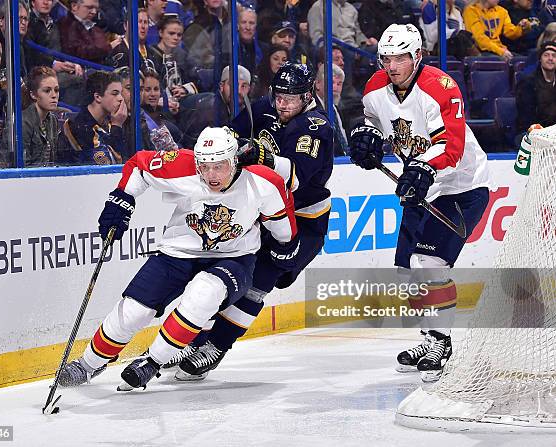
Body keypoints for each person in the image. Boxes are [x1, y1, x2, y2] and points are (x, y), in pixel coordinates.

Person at [58, 126, 299, 389]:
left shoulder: (263, 182)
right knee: (133, 312)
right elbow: (140, 165)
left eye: (218, 166)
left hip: (234, 258)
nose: (210, 175)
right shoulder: (183, 166)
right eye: (204, 167)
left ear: (234, 159)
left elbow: (283, 229)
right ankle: (88, 363)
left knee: (204, 294)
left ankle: (152, 362)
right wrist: (122, 198)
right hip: (177, 252)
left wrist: (285, 251)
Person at [170, 63, 334, 381]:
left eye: (292, 98)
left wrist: (260, 154)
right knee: (219, 277)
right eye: (279, 96)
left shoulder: (315, 126)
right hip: (260, 216)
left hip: (301, 222)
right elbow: (230, 133)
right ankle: (195, 342)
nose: (283, 104)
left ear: (309, 94)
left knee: (256, 285)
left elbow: (295, 178)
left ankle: (216, 346)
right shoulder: (264, 108)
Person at [348, 24, 491, 382]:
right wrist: (366, 137)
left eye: (400, 57)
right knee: (408, 272)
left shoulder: (440, 88)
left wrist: (425, 165)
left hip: (461, 185)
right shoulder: (375, 87)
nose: (392, 65)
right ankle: (429, 337)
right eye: (387, 58)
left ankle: (441, 342)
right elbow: (373, 123)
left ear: (417, 57)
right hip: (420, 185)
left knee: (428, 261)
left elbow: (453, 148)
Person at [61, 70, 127, 165]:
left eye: (121, 93)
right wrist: (117, 126)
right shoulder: (78, 125)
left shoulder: (112, 122)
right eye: (115, 93)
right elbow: (106, 164)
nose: (121, 98)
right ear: (98, 97)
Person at [178, 65, 251, 148]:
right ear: (221, 86)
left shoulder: (248, 111)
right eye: (232, 84)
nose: (238, 90)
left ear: (249, 89)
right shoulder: (207, 110)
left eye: (244, 86)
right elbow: (193, 147)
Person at [463, 0, 533, 60]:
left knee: (524, 62)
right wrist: (500, 51)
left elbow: (510, 33)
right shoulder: (471, 11)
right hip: (481, 51)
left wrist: (522, 28)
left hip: (500, 50)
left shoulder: (502, 11)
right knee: (501, 62)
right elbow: (479, 39)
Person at [515, 41, 556, 139]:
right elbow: (526, 116)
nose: (550, 58)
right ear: (540, 59)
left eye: (554, 56)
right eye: (546, 55)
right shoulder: (528, 82)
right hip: (533, 131)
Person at [22, 66, 61, 166]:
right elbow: (22, 165)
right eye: (47, 91)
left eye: (56, 90)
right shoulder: (23, 122)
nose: (54, 95)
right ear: (33, 95)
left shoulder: (53, 120)